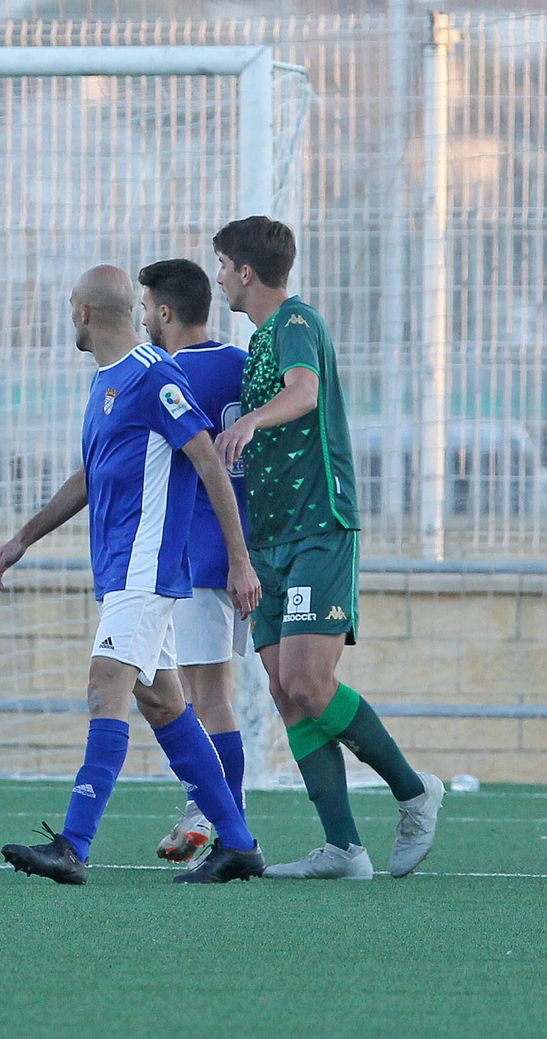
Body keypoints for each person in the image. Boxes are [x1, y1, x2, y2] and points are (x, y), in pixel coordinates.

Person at [0, 265, 264, 885]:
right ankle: (239, 843)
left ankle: (74, 844)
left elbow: (210, 463)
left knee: (105, 686)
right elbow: (90, 475)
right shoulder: (106, 385)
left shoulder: (154, 375)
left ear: (83, 312)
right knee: (164, 704)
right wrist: (22, 539)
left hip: (147, 567)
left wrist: (239, 557)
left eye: (68, 306)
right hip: (119, 571)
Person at [211, 216, 442, 880]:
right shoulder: (257, 342)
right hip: (271, 539)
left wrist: (253, 419)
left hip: (319, 527)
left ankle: (413, 790)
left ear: (247, 271)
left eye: (223, 264)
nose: (221, 275)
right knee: (287, 693)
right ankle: (344, 846)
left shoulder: (294, 323)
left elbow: (305, 392)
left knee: (310, 681)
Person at [137, 258, 253, 862]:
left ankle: (220, 825)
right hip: (247, 550)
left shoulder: (167, 375)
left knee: (205, 696)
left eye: (146, 307)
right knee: (206, 692)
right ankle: (208, 816)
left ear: (163, 311)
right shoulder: (241, 364)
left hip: (203, 555)